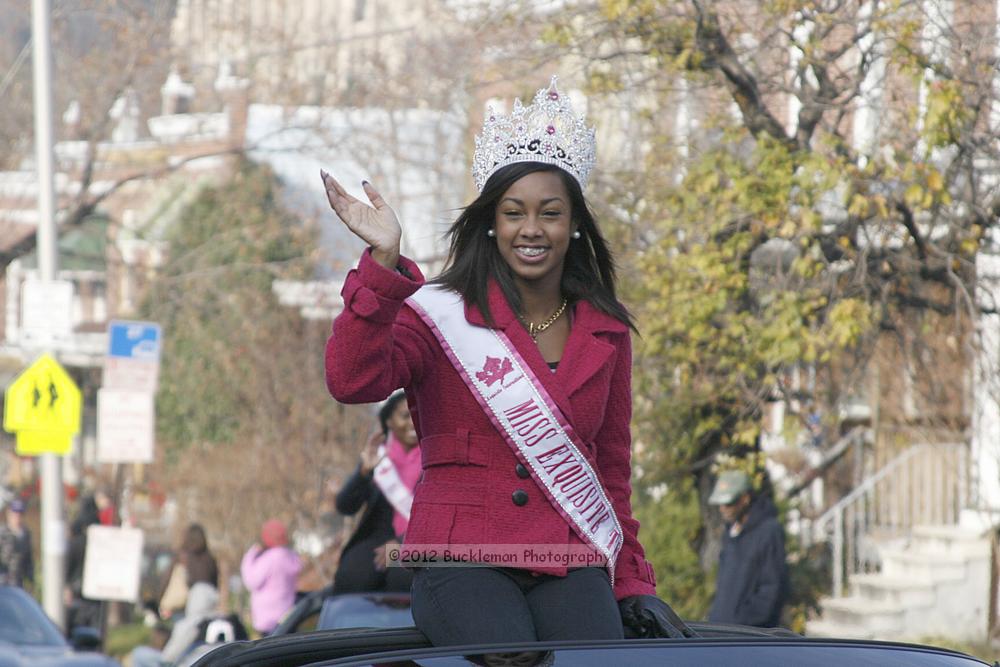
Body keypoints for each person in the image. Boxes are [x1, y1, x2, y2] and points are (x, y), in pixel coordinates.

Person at [322, 76, 691, 646]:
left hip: (567, 557)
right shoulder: (439, 314)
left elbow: (610, 469)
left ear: (574, 224)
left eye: (550, 212)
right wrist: (382, 263)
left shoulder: (607, 328)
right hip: (461, 556)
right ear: (492, 222)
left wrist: (632, 581)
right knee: (508, 656)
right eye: (515, 212)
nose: (532, 229)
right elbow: (351, 380)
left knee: (596, 661)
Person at [332, 391, 420, 594]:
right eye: (405, 416)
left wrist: (402, 543)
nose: (413, 422)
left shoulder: (435, 458)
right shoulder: (379, 458)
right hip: (378, 537)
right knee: (353, 574)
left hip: (423, 539)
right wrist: (363, 471)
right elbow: (345, 506)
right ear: (388, 421)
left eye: (417, 414)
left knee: (405, 575)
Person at [707, 469, 790, 628]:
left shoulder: (769, 531)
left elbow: (773, 588)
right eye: (720, 503)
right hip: (720, 633)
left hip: (748, 637)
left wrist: (742, 623)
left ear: (745, 498)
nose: (722, 508)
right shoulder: (730, 532)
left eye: (729, 502)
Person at [240, 518, 302, 635]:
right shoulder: (290, 556)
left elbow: (251, 581)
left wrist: (250, 555)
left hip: (268, 618)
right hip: (287, 614)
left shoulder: (270, 559)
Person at [158, 523, 219, 620]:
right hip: (206, 603)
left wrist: (160, 598)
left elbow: (167, 578)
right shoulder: (210, 559)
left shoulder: (182, 557)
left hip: (183, 603)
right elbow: (215, 583)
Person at [0, 499, 33, 589]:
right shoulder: (2, 533)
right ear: (9, 514)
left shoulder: (26, 534)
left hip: (18, 581)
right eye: (15, 514)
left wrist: (30, 579)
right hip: (3, 581)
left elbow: (28, 559)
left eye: (20, 514)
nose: (17, 517)